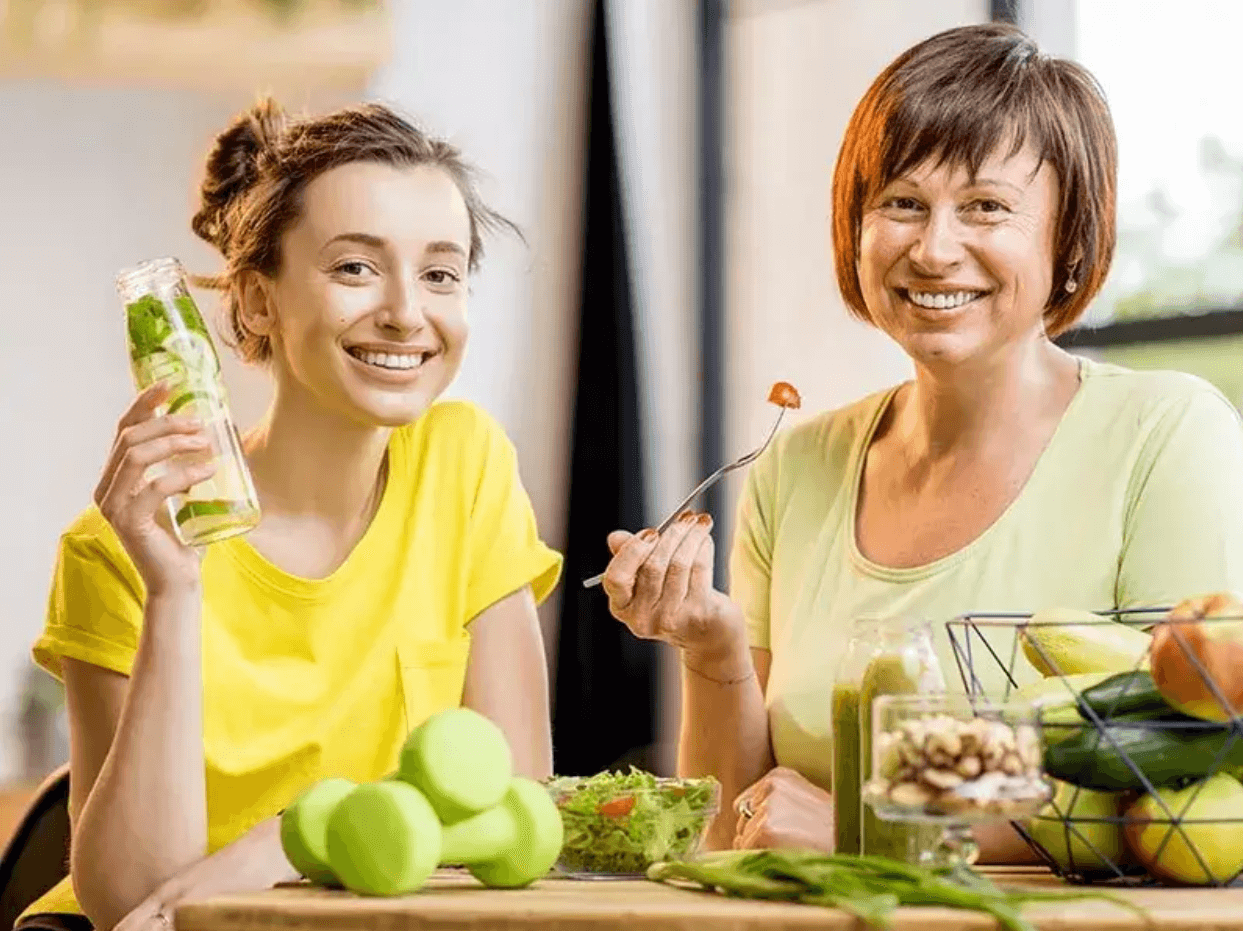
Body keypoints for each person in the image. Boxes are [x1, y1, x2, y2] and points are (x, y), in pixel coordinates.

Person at [600, 22, 1243, 860]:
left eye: (986, 207)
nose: (934, 248)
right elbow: (733, 824)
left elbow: (1191, 779)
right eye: (901, 202)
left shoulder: (1166, 434)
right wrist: (710, 646)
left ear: (1068, 238)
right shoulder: (796, 467)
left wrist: (865, 834)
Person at [18, 99, 562, 931]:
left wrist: (288, 841)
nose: (406, 312)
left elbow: (512, 802)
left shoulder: (464, 463)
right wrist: (174, 592)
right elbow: (133, 906)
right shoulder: (117, 547)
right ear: (256, 300)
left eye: (441, 273)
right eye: (355, 268)